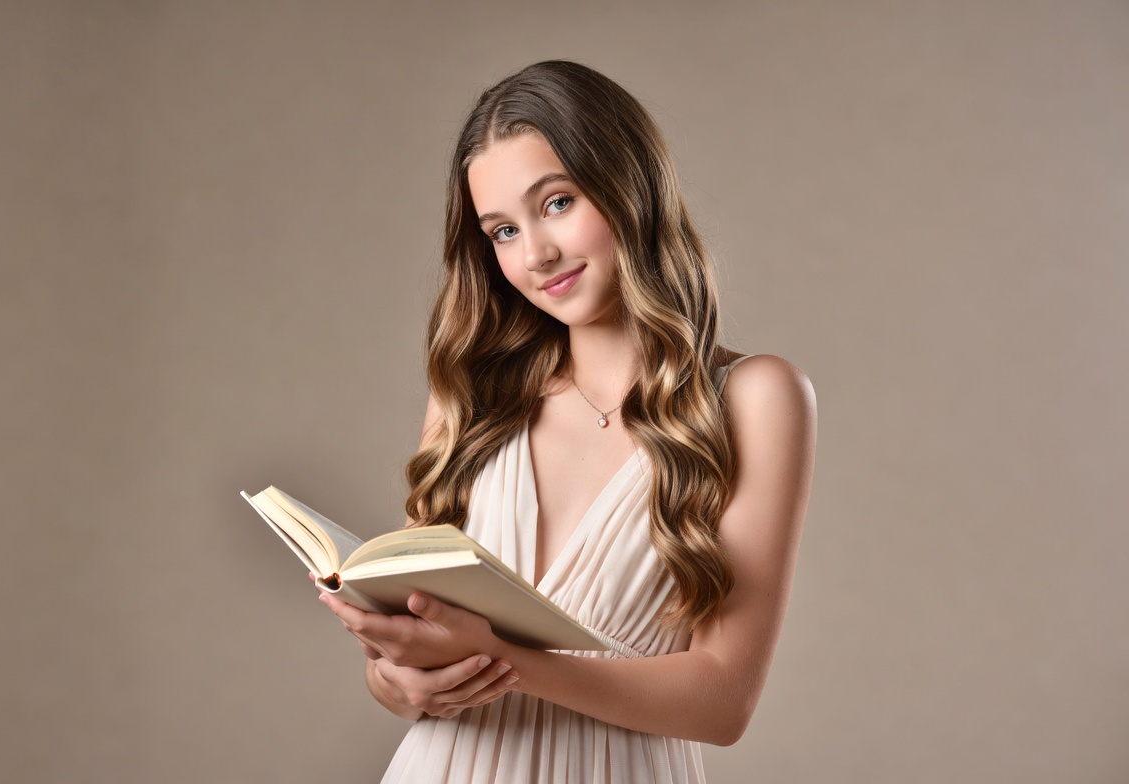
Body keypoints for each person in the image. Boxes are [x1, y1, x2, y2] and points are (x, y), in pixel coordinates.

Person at [317, 60, 817, 783]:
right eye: (502, 231)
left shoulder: (756, 398)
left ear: (629, 185)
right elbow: (401, 677)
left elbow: (723, 702)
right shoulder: (472, 397)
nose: (536, 255)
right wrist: (401, 682)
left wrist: (504, 661)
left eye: (556, 203)